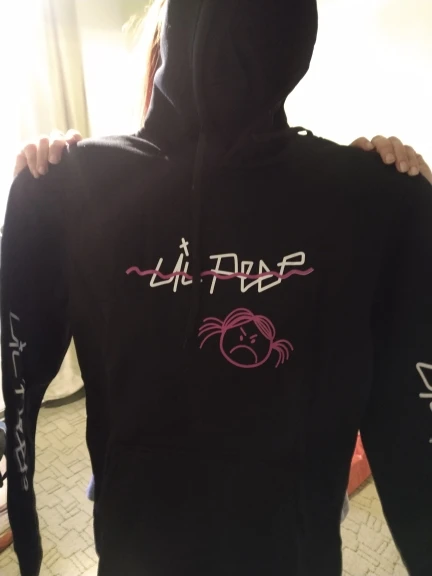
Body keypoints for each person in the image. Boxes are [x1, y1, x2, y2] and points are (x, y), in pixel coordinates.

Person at [2, 1, 432, 576]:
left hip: (276, 549)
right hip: (151, 544)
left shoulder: (367, 201)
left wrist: (398, 203)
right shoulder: (77, 189)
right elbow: (21, 364)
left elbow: (410, 395)